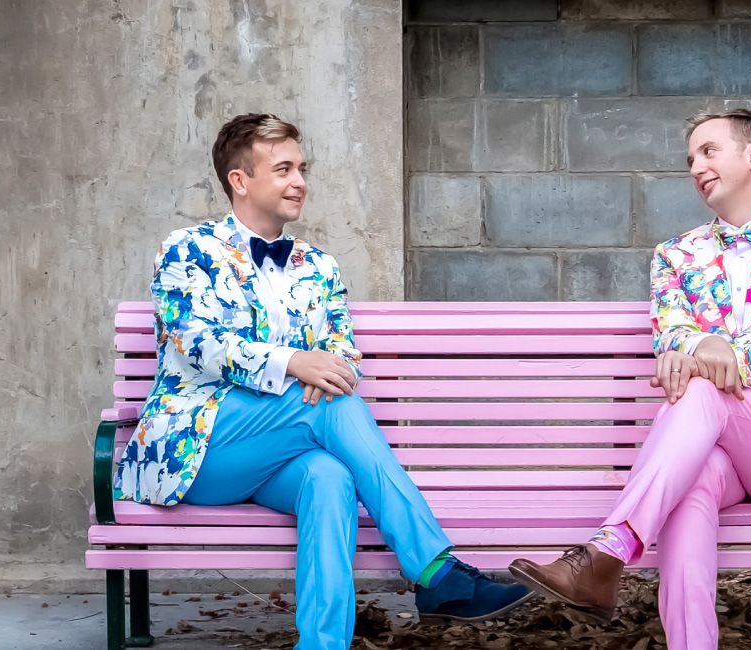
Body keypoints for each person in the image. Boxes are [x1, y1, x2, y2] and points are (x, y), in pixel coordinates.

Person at [113, 113, 530, 650]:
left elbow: (341, 351)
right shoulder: (187, 249)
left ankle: (323, 644)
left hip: (275, 454)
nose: (299, 181)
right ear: (240, 180)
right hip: (197, 447)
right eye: (283, 169)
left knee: (330, 478)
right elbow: (192, 343)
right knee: (328, 407)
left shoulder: (320, 265)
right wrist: (292, 362)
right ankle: (434, 572)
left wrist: (323, 366)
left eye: (302, 168)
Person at [508, 109, 751, 650]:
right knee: (688, 486)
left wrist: (709, 351)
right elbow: (670, 328)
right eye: (691, 158)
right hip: (717, 448)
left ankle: (606, 554)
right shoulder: (674, 255)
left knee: (701, 387)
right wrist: (696, 345)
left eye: (708, 151)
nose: (696, 166)